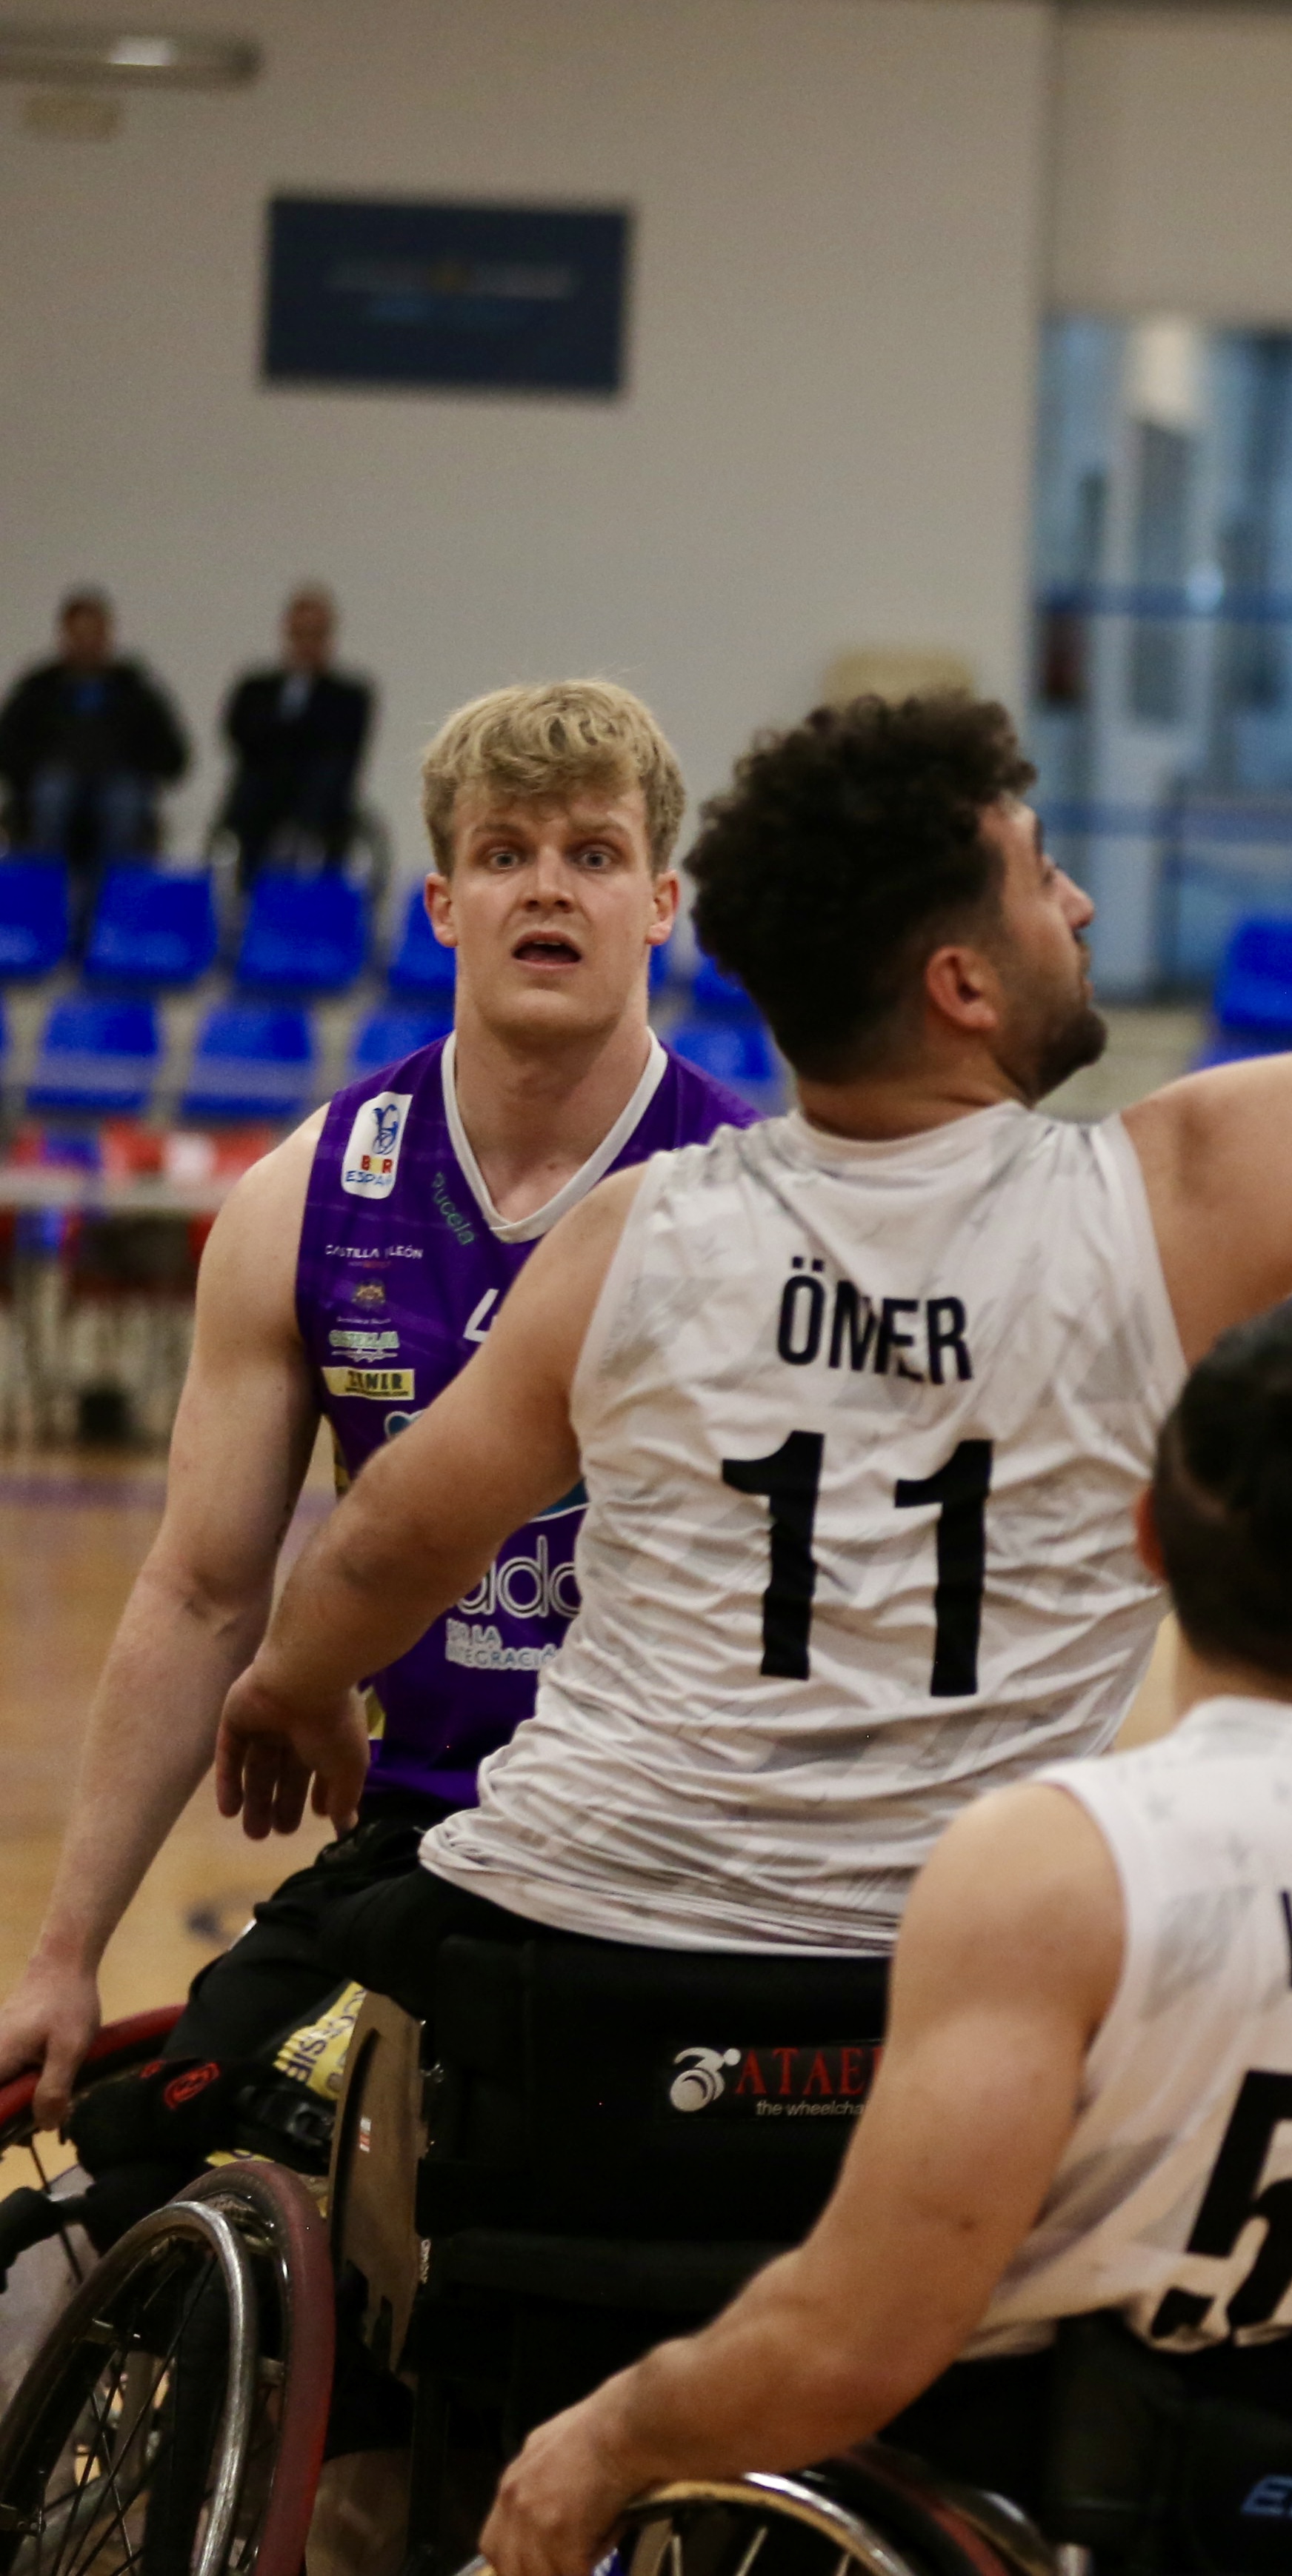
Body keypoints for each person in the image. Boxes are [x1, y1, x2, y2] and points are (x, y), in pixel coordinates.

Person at [208, 344, 1292, 1998]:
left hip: (570, 1968)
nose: (1086, 908)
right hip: (922, 1995)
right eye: (1046, 879)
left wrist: (294, 1687)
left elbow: (386, 1541)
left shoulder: (630, 1235)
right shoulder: (1160, 1206)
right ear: (961, 984)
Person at [472, 1304, 1292, 2576]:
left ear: (1148, 1540)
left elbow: (851, 2344)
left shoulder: (1057, 1860)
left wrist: (606, 2434)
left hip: (1043, 2521)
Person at [0, 681, 754, 2248]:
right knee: (106, 2221)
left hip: (680, 1861)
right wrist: (65, 1950)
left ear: (661, 904)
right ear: (442, 903)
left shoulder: (748, 1199)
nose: (548, 884)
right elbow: (204, 1589)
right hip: (418, 1835)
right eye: (505, 851)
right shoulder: (306, 1194)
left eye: (595, 853)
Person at [0, 587, 190, 932]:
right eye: (78, 636)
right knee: (52, 794)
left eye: (94, 635)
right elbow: (9, 747)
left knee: (122, 803)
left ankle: (107, 919)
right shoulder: (38, 689)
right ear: (65, 637)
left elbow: (173, 756)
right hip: (51, 788)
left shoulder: (135, 690)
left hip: (119, 787)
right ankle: (45, 914)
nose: (86, 645)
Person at [218, 583, 376, 876]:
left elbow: (342, 745)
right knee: (247, 796)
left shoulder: (350, 694)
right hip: (262, 793)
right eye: (299, 635)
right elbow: (239, 737)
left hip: (320, 801)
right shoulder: (256, 689)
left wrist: (287, 736)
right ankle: (239, 890)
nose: (306, 645)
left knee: (323, 786)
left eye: (315, 635)